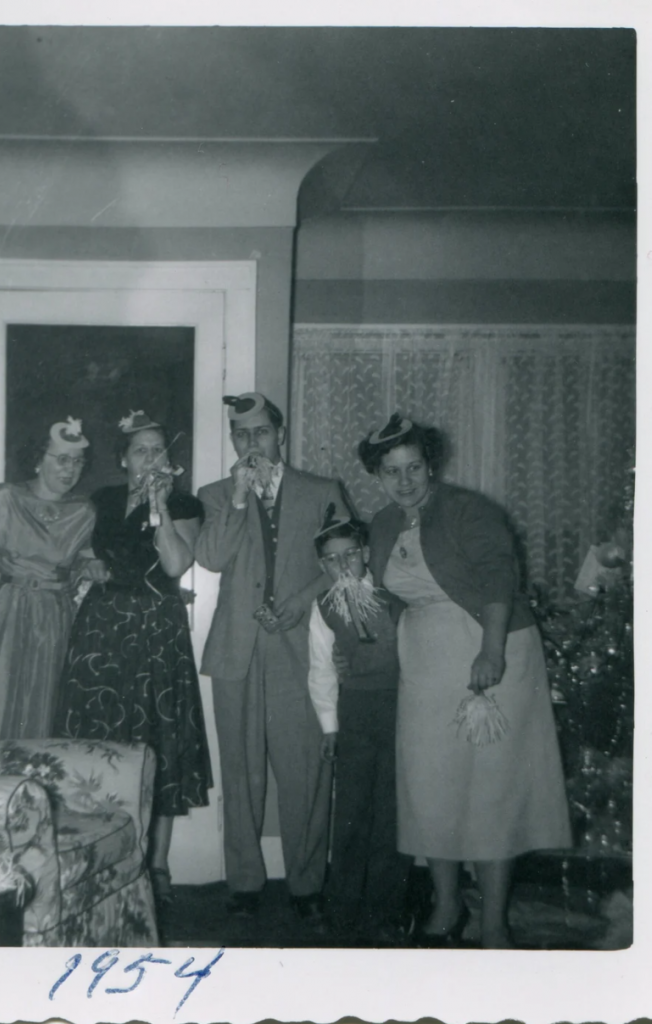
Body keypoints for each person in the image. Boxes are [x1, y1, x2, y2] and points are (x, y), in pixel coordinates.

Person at [359, 413, 571, 948]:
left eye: (414, 467)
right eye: (391, 471)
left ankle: (494, 922)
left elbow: (501, 576)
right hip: (426, 666)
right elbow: (383, 600)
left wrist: (492, 650)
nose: (404, 480)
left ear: (431, 465)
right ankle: (447, 905)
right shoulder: (382, 523)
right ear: (377, 476)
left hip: (489, 653)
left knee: (489, 792)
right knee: (433, 789)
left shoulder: (468, 510)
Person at [195, 392, 352, 924]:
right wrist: (239, 501)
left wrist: (302, 599)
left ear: (279, 434)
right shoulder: (215, 494)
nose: (252, 444)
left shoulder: (321, 491)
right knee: (239, 772)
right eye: (242, 435)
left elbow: (347, 561)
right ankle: (243, 880)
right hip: (235, 650)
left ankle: (307, 882)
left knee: (303, 768)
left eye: (261, 433)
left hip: (298, 647)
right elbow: (211, 558)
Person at [53, 411, 213, 903]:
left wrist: (160, 507)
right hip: (102, 630)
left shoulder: (184, 502)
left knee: (158, 745)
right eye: (141, 450)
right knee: (100, 740)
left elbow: (176, 562)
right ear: (123, 458)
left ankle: (156, 868)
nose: (150, 458)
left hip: (156, 631)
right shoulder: (100, 501)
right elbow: (68, 551)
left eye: (158, 450)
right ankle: (103, 858)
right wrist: (87, 563)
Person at [307, 507, 413, 946]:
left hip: (400, 711)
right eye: (331, 559)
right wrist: (330, 726)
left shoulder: (394, 600)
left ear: (366, 554)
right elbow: (320, 668)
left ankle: (387, 908)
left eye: (350, 555)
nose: (342, 565)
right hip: (354, 714)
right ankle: (343, 907)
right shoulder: (324, 608)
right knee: (350, 811)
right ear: (321, 566)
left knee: (392, 812)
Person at [0, 417, 104, 741]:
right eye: (61, 459)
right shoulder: (4, 498)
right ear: (38, 459)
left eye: (77, 462)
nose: (70, 469)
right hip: (7, 611)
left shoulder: (84, 512)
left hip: (53, 616)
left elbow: (85, 566)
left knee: (44, 702)